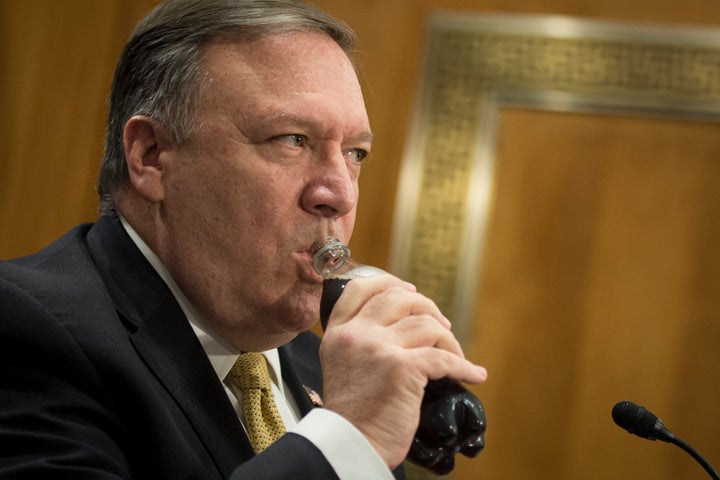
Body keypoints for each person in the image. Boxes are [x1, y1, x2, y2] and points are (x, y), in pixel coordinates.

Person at [0, 0, 487, 478]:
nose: (338, 193)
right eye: (292, 140)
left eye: (356, 153)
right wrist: (346, 436)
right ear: (151, 156)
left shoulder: (332, 373)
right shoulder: (25, 329)